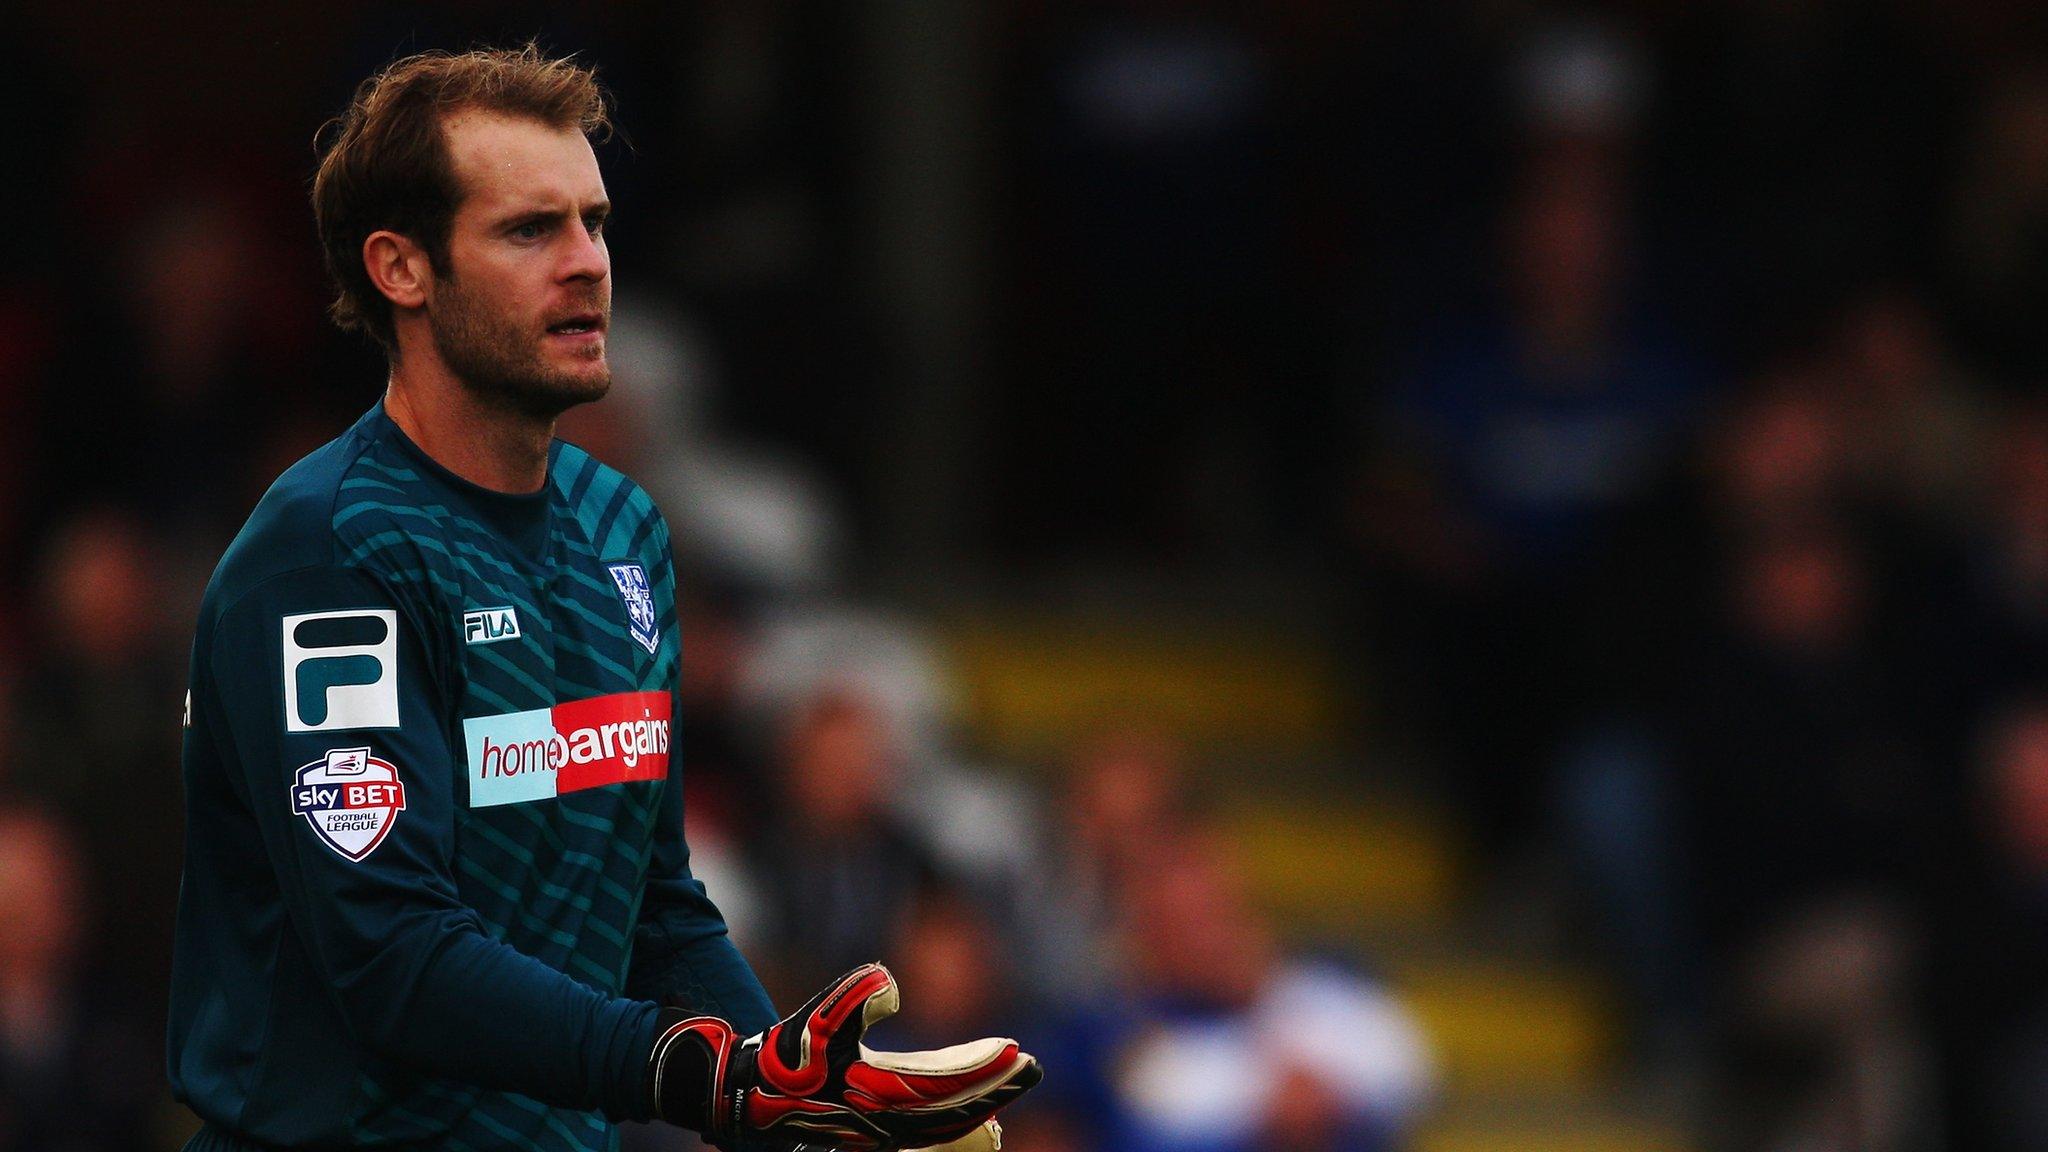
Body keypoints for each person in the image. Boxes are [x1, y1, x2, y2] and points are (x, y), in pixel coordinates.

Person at [165, 46, 1037, 1152]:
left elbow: (655, 909)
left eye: (595, 222)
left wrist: (800, 1096)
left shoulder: (622, 527)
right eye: (530, 230)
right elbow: (390, 954)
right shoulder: (329, 551)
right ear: (401, 268)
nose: (587, 265)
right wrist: (701, 1080)